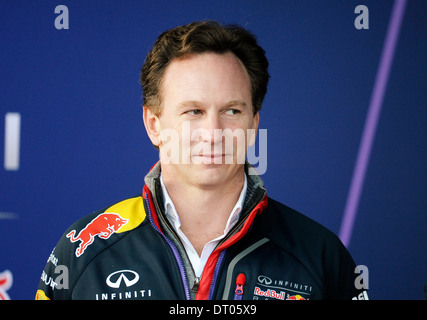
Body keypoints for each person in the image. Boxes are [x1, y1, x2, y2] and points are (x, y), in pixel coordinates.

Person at [36, 21, 368, 300]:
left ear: (253, 125)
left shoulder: (321, 256)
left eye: (232, 111)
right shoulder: (83, 251)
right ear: (154, 124)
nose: (213, 132)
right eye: (193, 111)